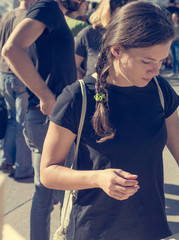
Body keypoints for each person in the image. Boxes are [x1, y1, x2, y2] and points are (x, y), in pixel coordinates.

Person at [40, 1, 179, 239]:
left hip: (153, 230)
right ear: (117, 50)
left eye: (161, 61)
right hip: (93, 231)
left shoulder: (160, 91)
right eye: (147, 61)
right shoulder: (77, 97)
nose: (156, 70)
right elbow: (48, 173)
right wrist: (97, 178)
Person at [1, 0, 81, 239]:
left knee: (58, 193)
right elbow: (11, 49)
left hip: (59, 117)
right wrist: (45, 96)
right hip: (49, 118)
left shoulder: (55, 14)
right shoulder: (47, 6)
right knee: (46, 193)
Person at [0, 0, 35, 179]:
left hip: (3, 74)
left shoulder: (6, 16)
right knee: (23, 123)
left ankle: (6, 159)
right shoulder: (27, 18)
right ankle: (23, 168)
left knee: (13, 119)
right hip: (19, 75)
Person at [75, 0, 132, 79]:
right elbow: (73, 66)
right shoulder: (89, 33)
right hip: (95, 89)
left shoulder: (134, 35)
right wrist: (88, 83)